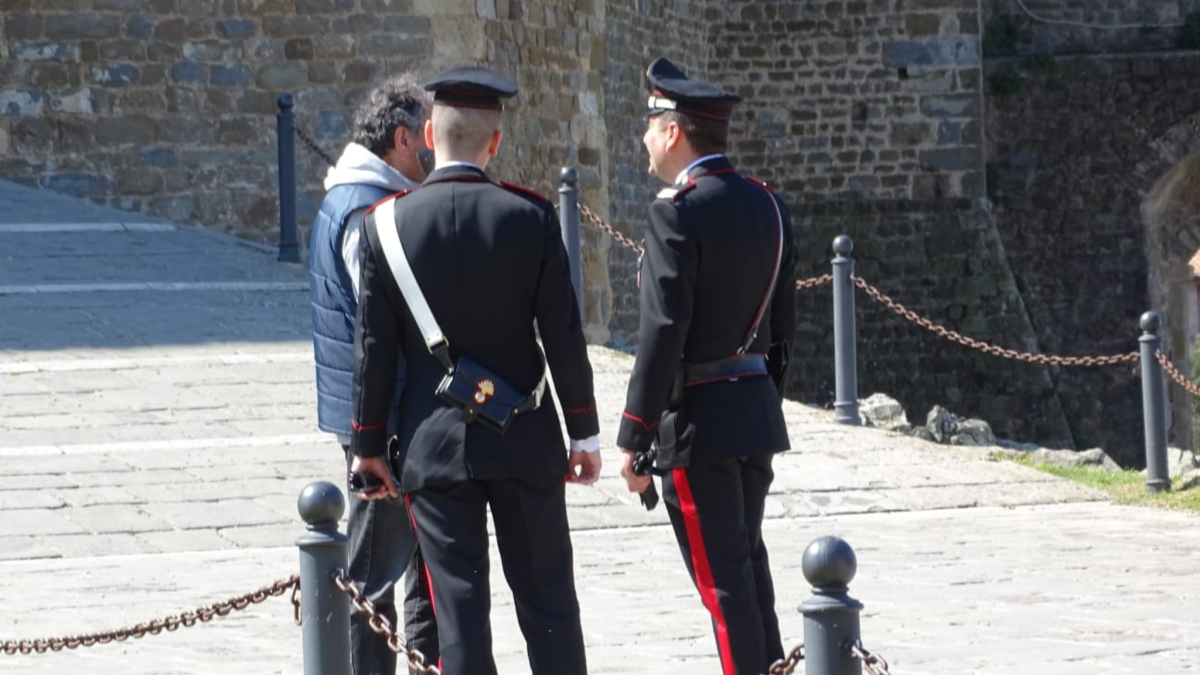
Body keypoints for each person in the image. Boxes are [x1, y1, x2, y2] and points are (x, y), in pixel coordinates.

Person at [348, 65, 602, 675]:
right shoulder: (533, 217)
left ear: (430, 136)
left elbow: (374, 348)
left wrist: (367, 447)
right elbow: (565, 337)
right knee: (550, 606)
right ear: (495, 142)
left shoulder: (384, 225)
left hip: (433, 447)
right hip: (525, 434)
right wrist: (584, 434)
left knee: (457, 617)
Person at [615, 57, 798, 675]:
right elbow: (784, 330)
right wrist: (763, 398)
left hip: (698, 426)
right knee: (749, 576)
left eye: (650, 125)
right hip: (752, 413)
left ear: (673, 131)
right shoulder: (768, 206)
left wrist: (634, 435)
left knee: (724, 593)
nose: (643, 139)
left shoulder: (677, 212)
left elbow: (663, 330)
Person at [307, 73, 438, 675]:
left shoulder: (351, 196)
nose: (437, 151)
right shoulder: (365, 209)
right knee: (374, 579)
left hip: (372, 414)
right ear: (405, 139)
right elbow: (377, 328)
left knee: (412, 572)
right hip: (383, 420)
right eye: (430, 137)